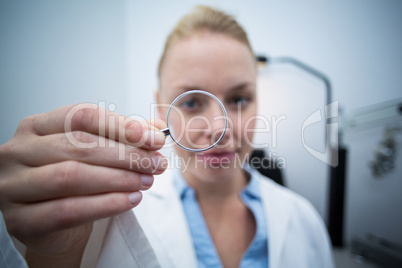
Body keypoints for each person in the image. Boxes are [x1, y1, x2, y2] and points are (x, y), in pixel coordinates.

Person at [0, 5, 334, 268]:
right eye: (190, 102)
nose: (219, 128)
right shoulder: (108, 216)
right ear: (162, 110)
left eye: (239, 99)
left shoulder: (304, 220)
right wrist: (55, 257)